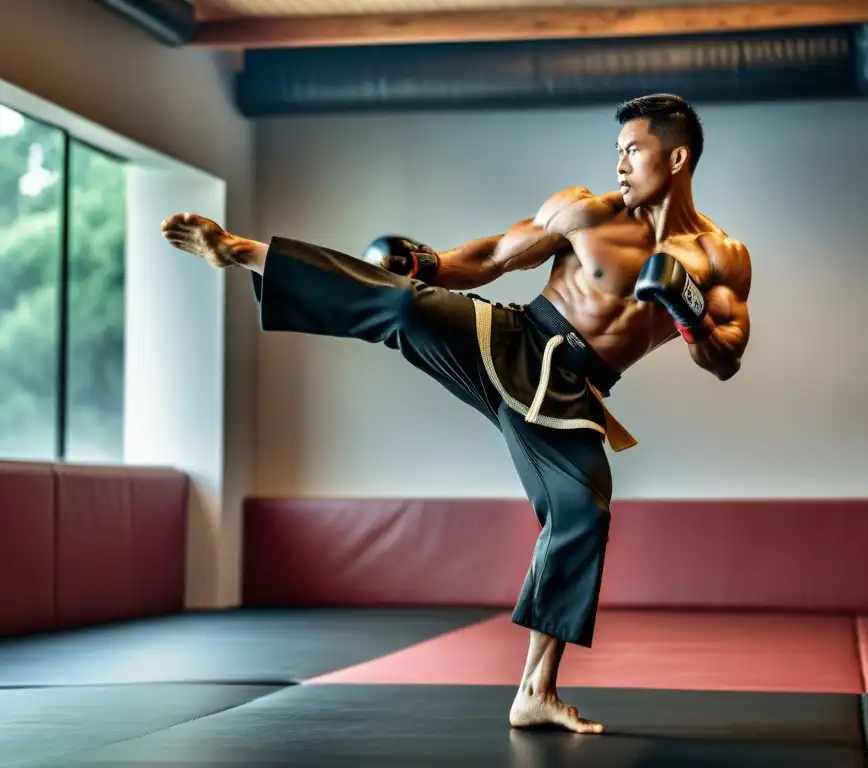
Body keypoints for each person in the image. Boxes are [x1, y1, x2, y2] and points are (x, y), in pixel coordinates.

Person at [160, 93, 752, 735]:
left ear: (678, 155)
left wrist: (688, 313)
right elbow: (497, 255)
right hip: (511, 337)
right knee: (410, 306)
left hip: (571, 395)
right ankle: (247, 252)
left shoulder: (720, 257)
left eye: (633, 149)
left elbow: (726, 358)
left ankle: (534, 691)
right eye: (617, 150)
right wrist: (429, 264)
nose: (620, 164)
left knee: (584, 515)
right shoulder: (586, 210)